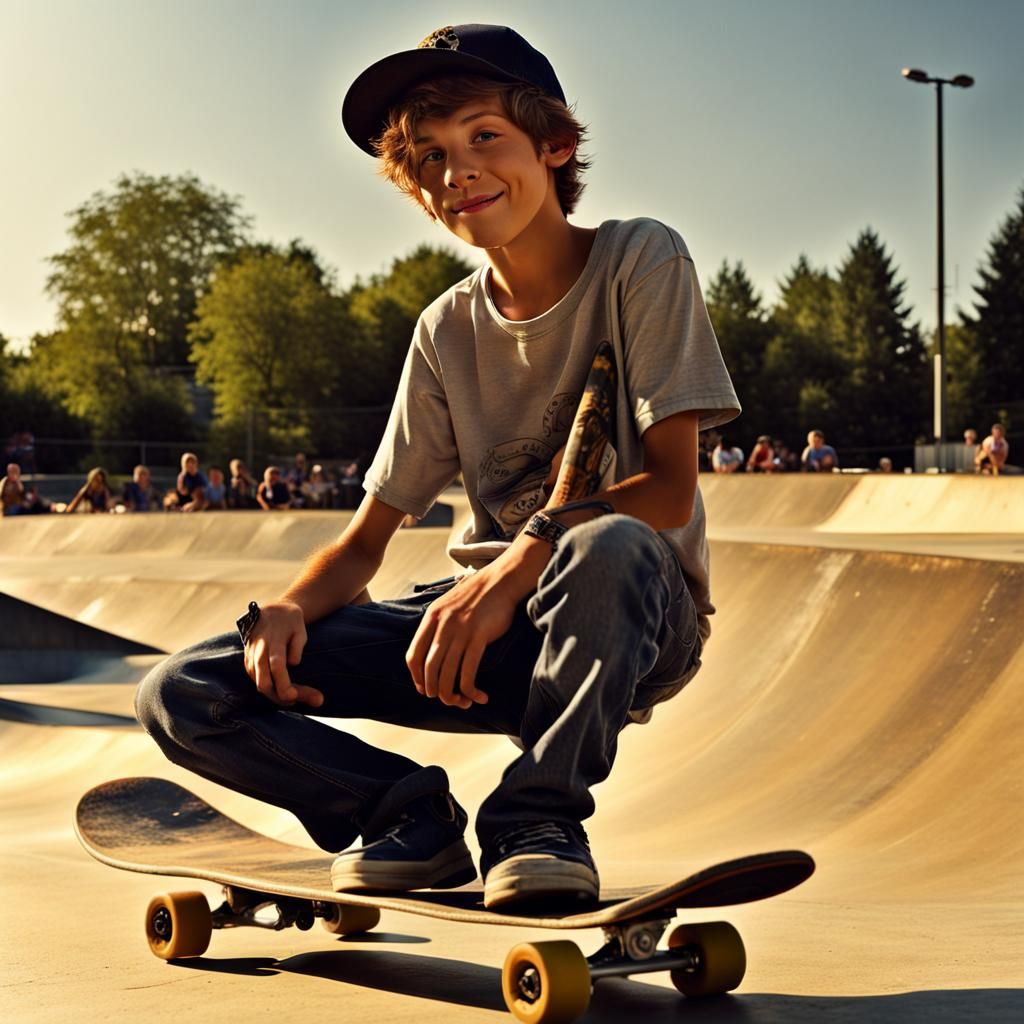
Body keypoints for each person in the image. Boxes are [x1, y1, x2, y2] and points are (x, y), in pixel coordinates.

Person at [135, 24, 739, 912]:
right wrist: (290, 610)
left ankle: (537, 819)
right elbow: (366, 540)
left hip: (633, 617)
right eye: (429, 156)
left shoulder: (640, 259)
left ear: (555, 144)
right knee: (181, 689)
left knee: (606, 543)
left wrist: (512, 567)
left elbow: (668, 489)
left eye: (484, 137)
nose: (458, 172)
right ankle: (401, 815)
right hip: (474, 636)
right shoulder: (445, 330)